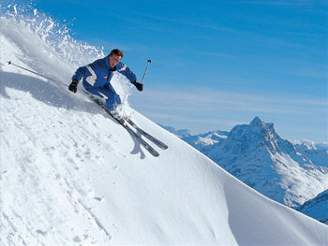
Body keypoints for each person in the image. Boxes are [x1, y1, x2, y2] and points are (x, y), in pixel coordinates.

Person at [68, 49, 143, 113]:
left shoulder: (117, 65)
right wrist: (75, 82)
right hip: (92, 86)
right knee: (112, 97)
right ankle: (112, 111)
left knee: (117, 98)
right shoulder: (99, 65)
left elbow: (126, 71)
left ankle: (119, 112)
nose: (115, 62)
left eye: (118, 60)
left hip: (104, 84)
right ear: (110, 56)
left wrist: (135, 82)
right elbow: (82, 70)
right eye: (114, 59)